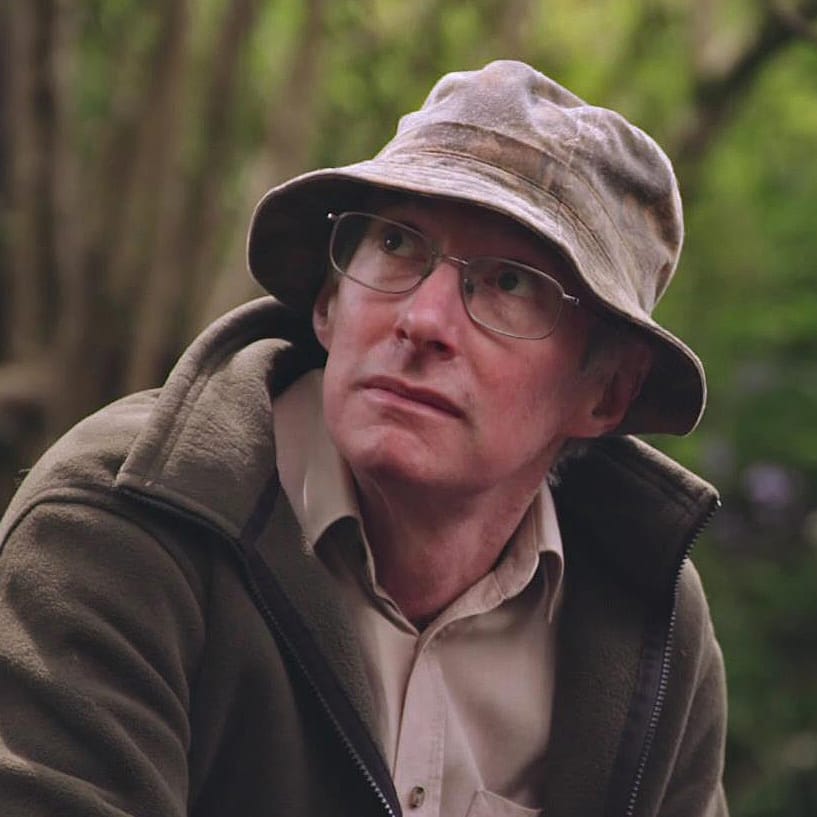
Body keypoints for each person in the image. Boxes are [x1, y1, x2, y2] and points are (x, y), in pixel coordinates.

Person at [0, 60, 727, 816]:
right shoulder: (126, 523)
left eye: (510, 282)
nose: (422, 320)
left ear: (606, 392)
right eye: (397, 244)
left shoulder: (648, 616)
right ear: (329, 298)